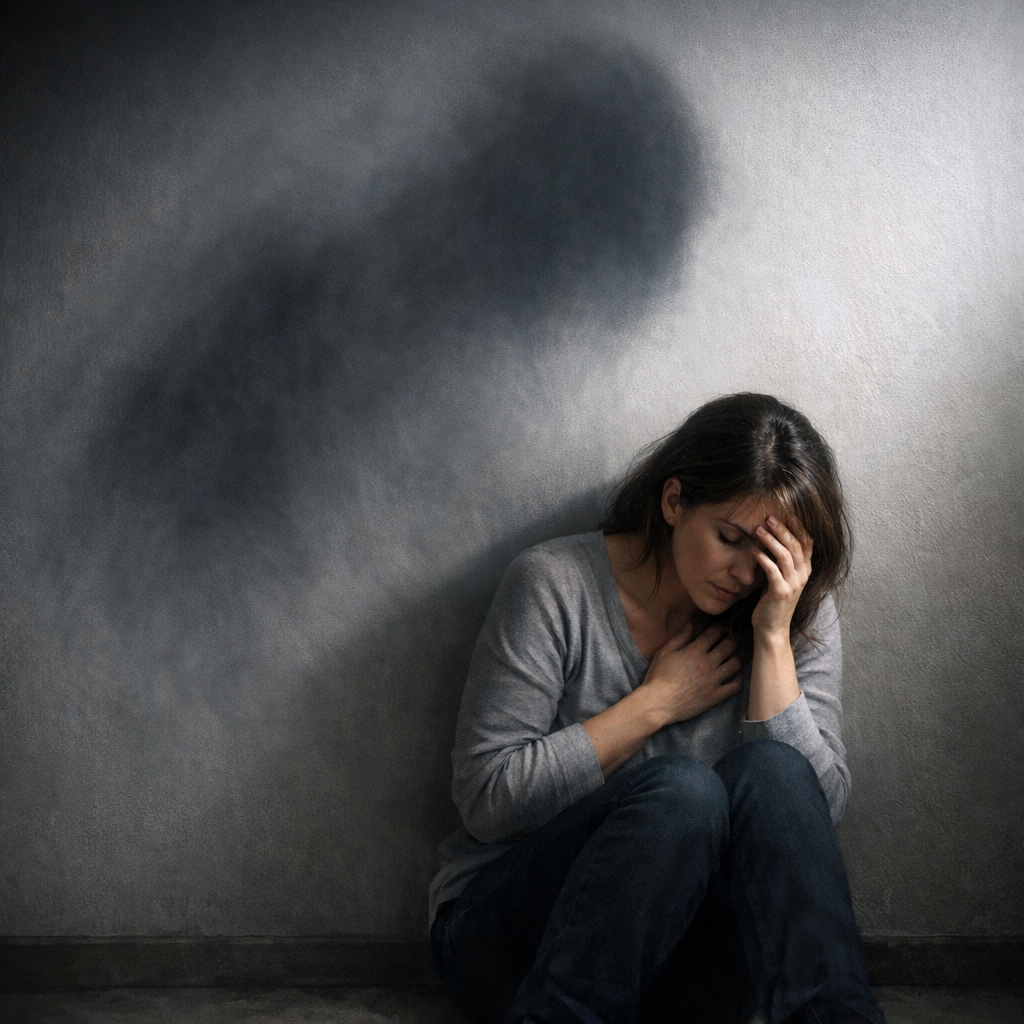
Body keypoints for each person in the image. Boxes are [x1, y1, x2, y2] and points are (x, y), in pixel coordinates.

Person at [429, 393, 886, 1024]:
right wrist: (656, 702)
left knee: (780, 771)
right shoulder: (553, 585)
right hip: (509, 942)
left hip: (683, 961)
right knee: (683, 792)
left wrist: (773, 639)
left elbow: (811, 816)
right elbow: (486, 800)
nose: (745, 574)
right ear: (674, 502)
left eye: (767, 554)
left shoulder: (789, 606)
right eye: (729, 539)